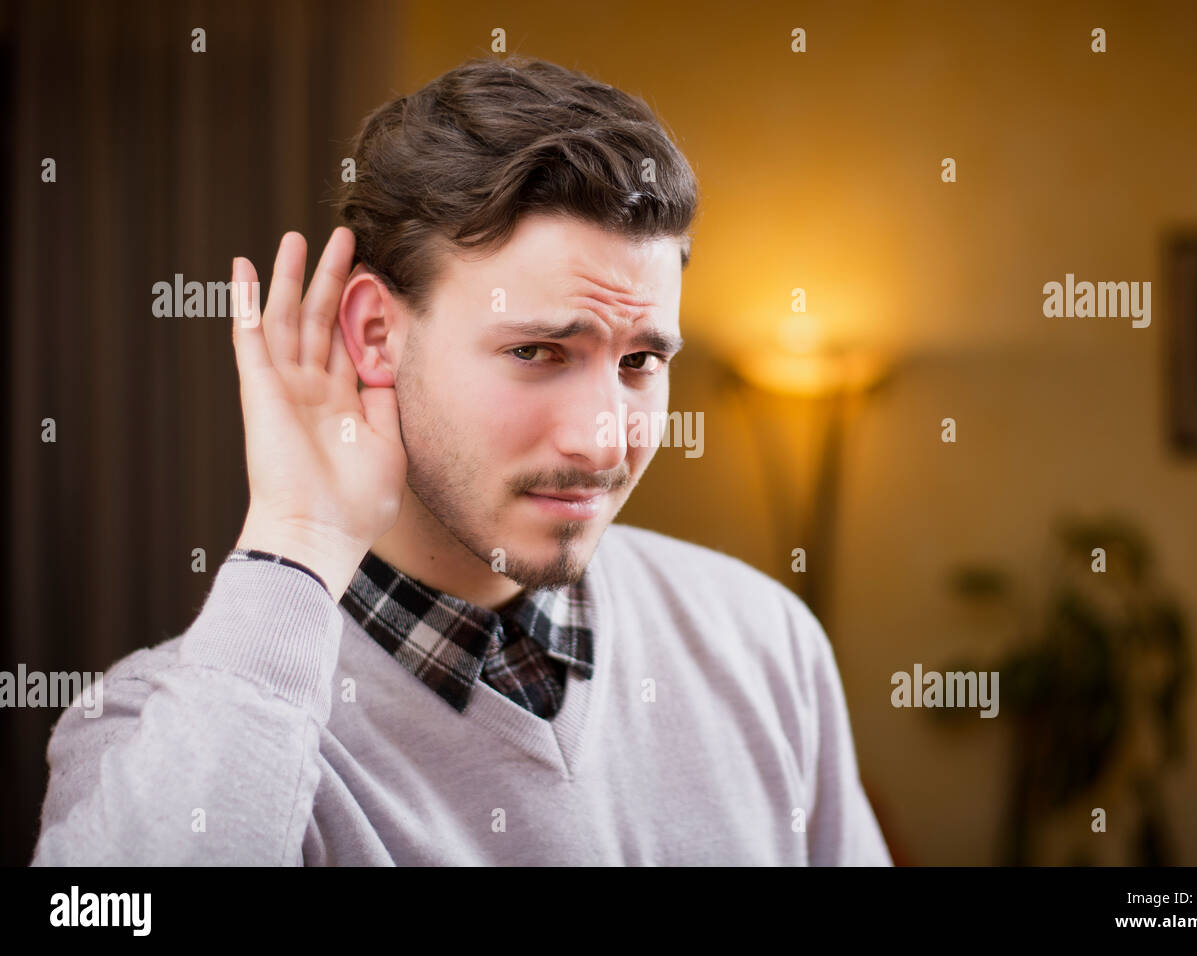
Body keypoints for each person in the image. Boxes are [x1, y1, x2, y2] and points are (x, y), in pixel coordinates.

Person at [31, 55, 892, 866]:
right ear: (375, 335)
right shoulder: (151, 729)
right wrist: (293, 541)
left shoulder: (764, 641)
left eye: (640, 362)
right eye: (538, 353)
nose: (602, 440)